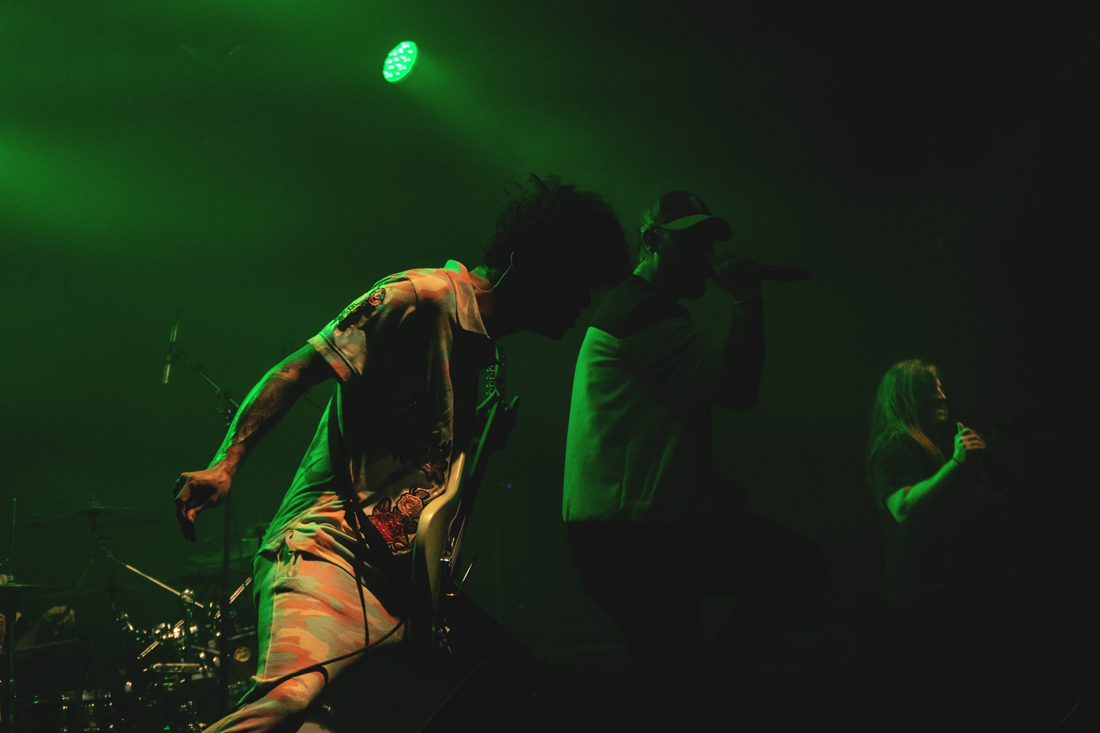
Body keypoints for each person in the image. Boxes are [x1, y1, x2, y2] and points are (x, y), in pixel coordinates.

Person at [172, 174, 631, 732]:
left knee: (525, 689)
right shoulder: (417, 296)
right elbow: (294, 371)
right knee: (287, 704)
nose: (581, 302)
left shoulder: (488, 353)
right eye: (576, 280)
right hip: (328, 553)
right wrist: (225, 465)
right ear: (527, 261)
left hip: (404, 584)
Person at [562, 191, 827, 701]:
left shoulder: (646, 310)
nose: (705, 257)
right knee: (794, 568)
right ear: (651, 241)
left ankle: (707, 690)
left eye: (709, 243)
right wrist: (746, 298)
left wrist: (702, 487)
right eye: (690, 243)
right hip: (633, 541)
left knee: (685, 683)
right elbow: (738, 389)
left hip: (642, 533)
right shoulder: (641, 312)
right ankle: (710, 690)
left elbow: (647, 429)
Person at [865, 359, 1012, 718]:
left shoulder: (927, 445)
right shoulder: (894, 445)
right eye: (933, 388)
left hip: (943, 594)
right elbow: (903, 508)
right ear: (909, 395)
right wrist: (956, 466)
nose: (943, 395)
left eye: (942, 387)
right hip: (921, 597)